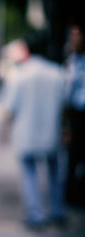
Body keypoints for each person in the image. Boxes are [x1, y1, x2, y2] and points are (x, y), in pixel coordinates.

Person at [0, 34, 67, 230]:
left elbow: (9, 107)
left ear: (26, 50)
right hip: (52, 132)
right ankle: (57, 211)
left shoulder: (19, 75)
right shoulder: (57, 73)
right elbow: (65, 105)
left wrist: (4, 130)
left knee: (29, 173)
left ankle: (35, 215)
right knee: (54, 172)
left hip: (26, 134)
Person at [63, 24, 85, 207]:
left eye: (77, 35)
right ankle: (72, 196)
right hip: (77, 115)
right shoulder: (72, 61)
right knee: (73, 157)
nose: (73, 40)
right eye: (71, 36)